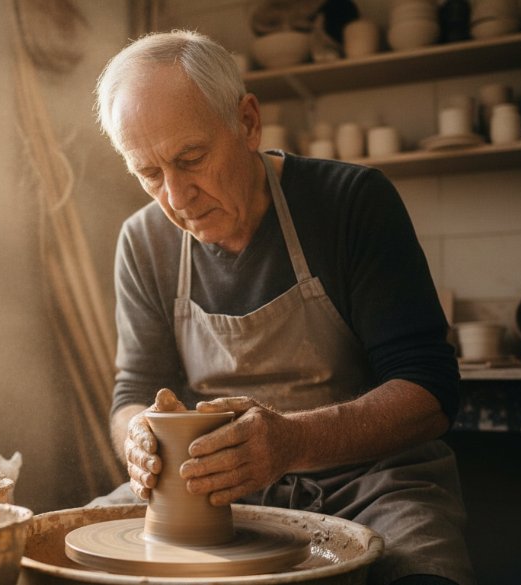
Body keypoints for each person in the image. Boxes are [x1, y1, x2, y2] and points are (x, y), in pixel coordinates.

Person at [91, 30, 474, 585]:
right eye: (149, 174)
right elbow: (134, 391)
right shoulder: (143, 241)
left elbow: (431, 391)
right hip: (217, 494)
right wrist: (138, 439)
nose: (176, 197)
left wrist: (292, 442)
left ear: (247, 122)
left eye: (191, 158)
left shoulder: (350, 202)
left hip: (374, 484)